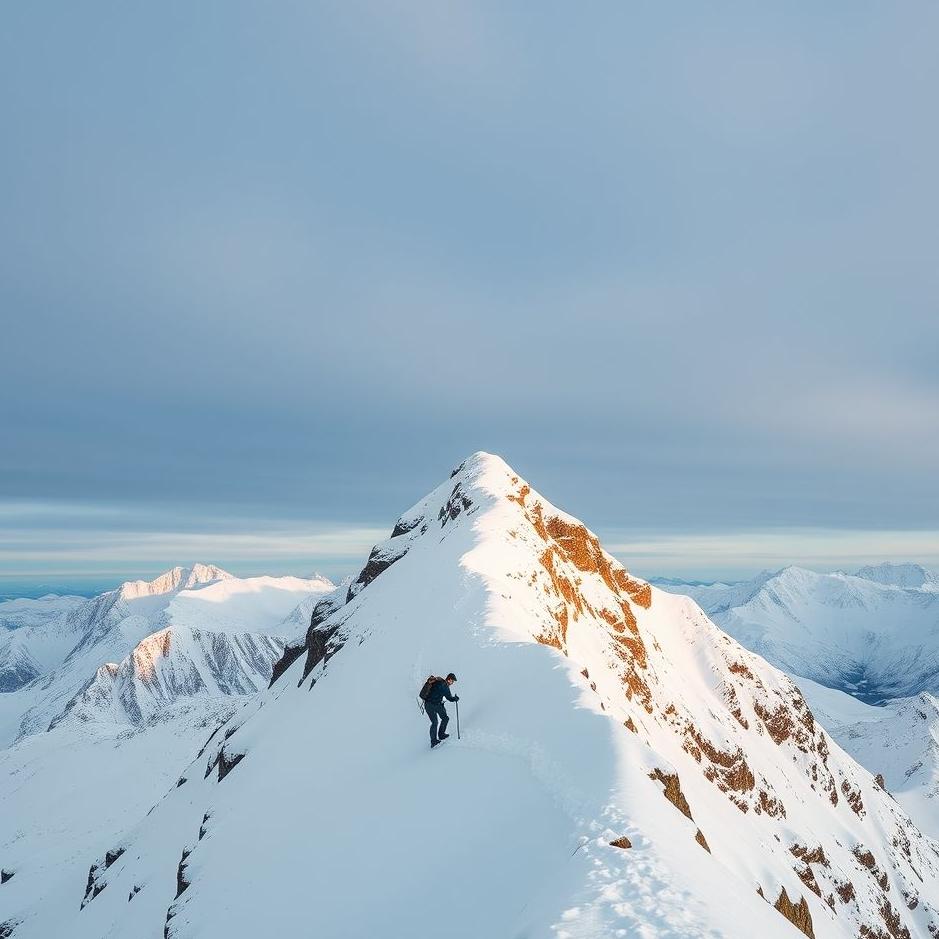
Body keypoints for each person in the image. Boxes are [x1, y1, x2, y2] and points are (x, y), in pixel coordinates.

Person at [426, 672, 458, 748]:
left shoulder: (438, 681)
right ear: (449, 679)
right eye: (452, 681)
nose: (452, 683)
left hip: (428, 704)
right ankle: (440, 735)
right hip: (435, 705)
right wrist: (455, 698)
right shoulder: (445, 686)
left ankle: (434, 740)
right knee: (443, 719)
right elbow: (449, 698)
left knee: (435, 722)